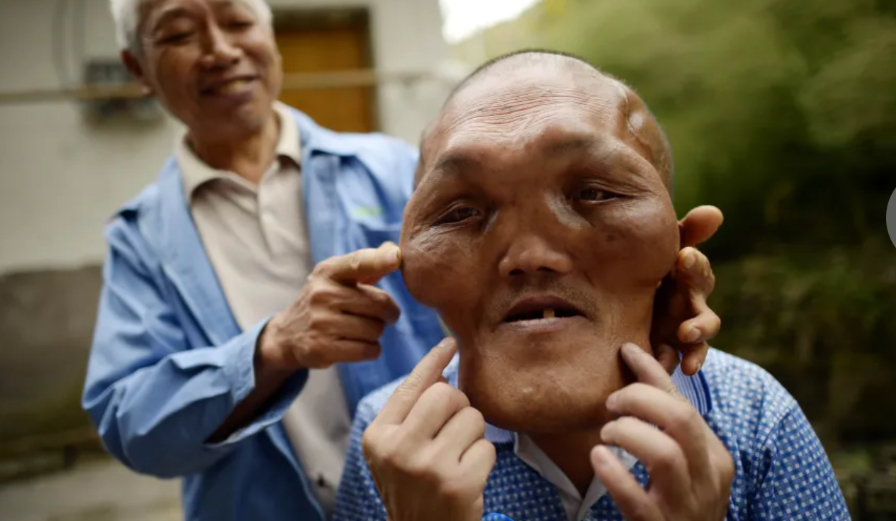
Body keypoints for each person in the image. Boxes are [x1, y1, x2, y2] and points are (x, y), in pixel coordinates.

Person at [81, 0, 723, 518]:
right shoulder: (141, 237)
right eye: (179, 33)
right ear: (137, 67)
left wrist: (644, 299)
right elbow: (131, 424)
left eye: (238, 20)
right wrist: (273, 348)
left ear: (270, 36)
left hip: (473, 487)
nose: (221, 49)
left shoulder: (396, 172)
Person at [334, 51, 850, 521]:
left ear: (678, 244)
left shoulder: (751, 416)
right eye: (461, 213)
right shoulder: (391, 445)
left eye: (595, 194)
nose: (531, 256)